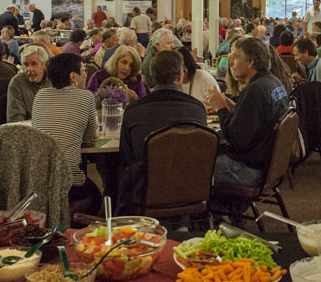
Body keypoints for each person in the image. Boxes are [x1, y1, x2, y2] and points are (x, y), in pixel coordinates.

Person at [118, 50, 208, 208]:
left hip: (145, 191)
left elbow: (126, 154)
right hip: (191, 190)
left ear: (152, 77)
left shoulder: (134, 110)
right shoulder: (197, 109)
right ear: (180, 75)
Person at [205, 37, 290, 187]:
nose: (231, 63)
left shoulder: (255, 89)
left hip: (251, 169)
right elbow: (257, 118)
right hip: (271, 165)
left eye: (235, 58)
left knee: (196, 167)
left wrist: (221, 109)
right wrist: (234, 107)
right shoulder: (273, 82)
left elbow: (236, 140)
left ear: (250, 62)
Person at [31, 52, 99, 213]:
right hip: (67, 176)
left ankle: (56, 215)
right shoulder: (86, 97)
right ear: (73, 76)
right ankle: (70, 226)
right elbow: (89, 139)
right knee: (95, 197)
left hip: (36, 174)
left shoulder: (40, 95)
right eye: (83, 70)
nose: (86, 74)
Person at [6, 45, 52, 122]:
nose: (29, 69)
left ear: (44, 65)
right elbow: (15, 119)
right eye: (26, 65)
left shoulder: (54, 81)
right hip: (27, 131)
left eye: (34, 64)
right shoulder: (17, 83)